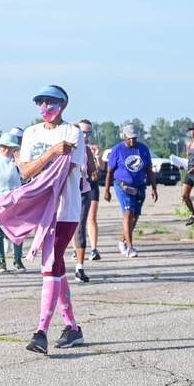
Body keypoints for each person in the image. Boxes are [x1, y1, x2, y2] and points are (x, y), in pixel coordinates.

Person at [0, 85, 86, 354]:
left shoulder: (72, 132)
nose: (45, 108)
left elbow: (61, 172)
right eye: (41, 103)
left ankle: (41, 332)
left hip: (65, 209)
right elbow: (26, 171)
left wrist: (53, 156)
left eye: (51, 102)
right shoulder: (31, 133)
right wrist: (51, 152)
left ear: (64, 105)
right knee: (56, 266)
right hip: (42, 209)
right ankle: (73, 328)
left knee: (50, 265)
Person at [103, 123, 158, 258]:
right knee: (128, 214)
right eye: (129, 138)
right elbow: (109, 172)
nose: (132, 141)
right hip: (122, 186)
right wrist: (107, 190)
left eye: (134, 138)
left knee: (135, 217)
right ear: (124, 137)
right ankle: (130, 247)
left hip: (139, 187)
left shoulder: (143, 149)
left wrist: (154, 187)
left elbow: (149, 170)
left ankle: (122, 241)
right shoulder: (117, 150)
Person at [0, 133, 24, 272]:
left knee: (17, 231)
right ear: (0, 146)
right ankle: (1, 261)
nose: (7, 150)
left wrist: (19, 165)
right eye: (5, 147)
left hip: (14, 199)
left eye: (11, 147)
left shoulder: (17, 160)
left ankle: (17, 260)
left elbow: (27, 175)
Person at [71, 119, 100, 282]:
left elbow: (93, 171)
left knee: (80, 226)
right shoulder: (62, 150)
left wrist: (95, 174)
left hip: (83, 192)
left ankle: (79, 268)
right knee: (64, 225)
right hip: (65, 192)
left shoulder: (86, 151)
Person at [85, 127, 106, 261]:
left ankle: (93, 249)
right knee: (78, 219)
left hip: (92, 184)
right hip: (79, 184)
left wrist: (97, 154)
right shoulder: (75, 147)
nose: (86, 135)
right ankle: (76, 249)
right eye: (84, 132)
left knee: (91, 217)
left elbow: (102, 167)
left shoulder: (91, 149)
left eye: (89, 132)